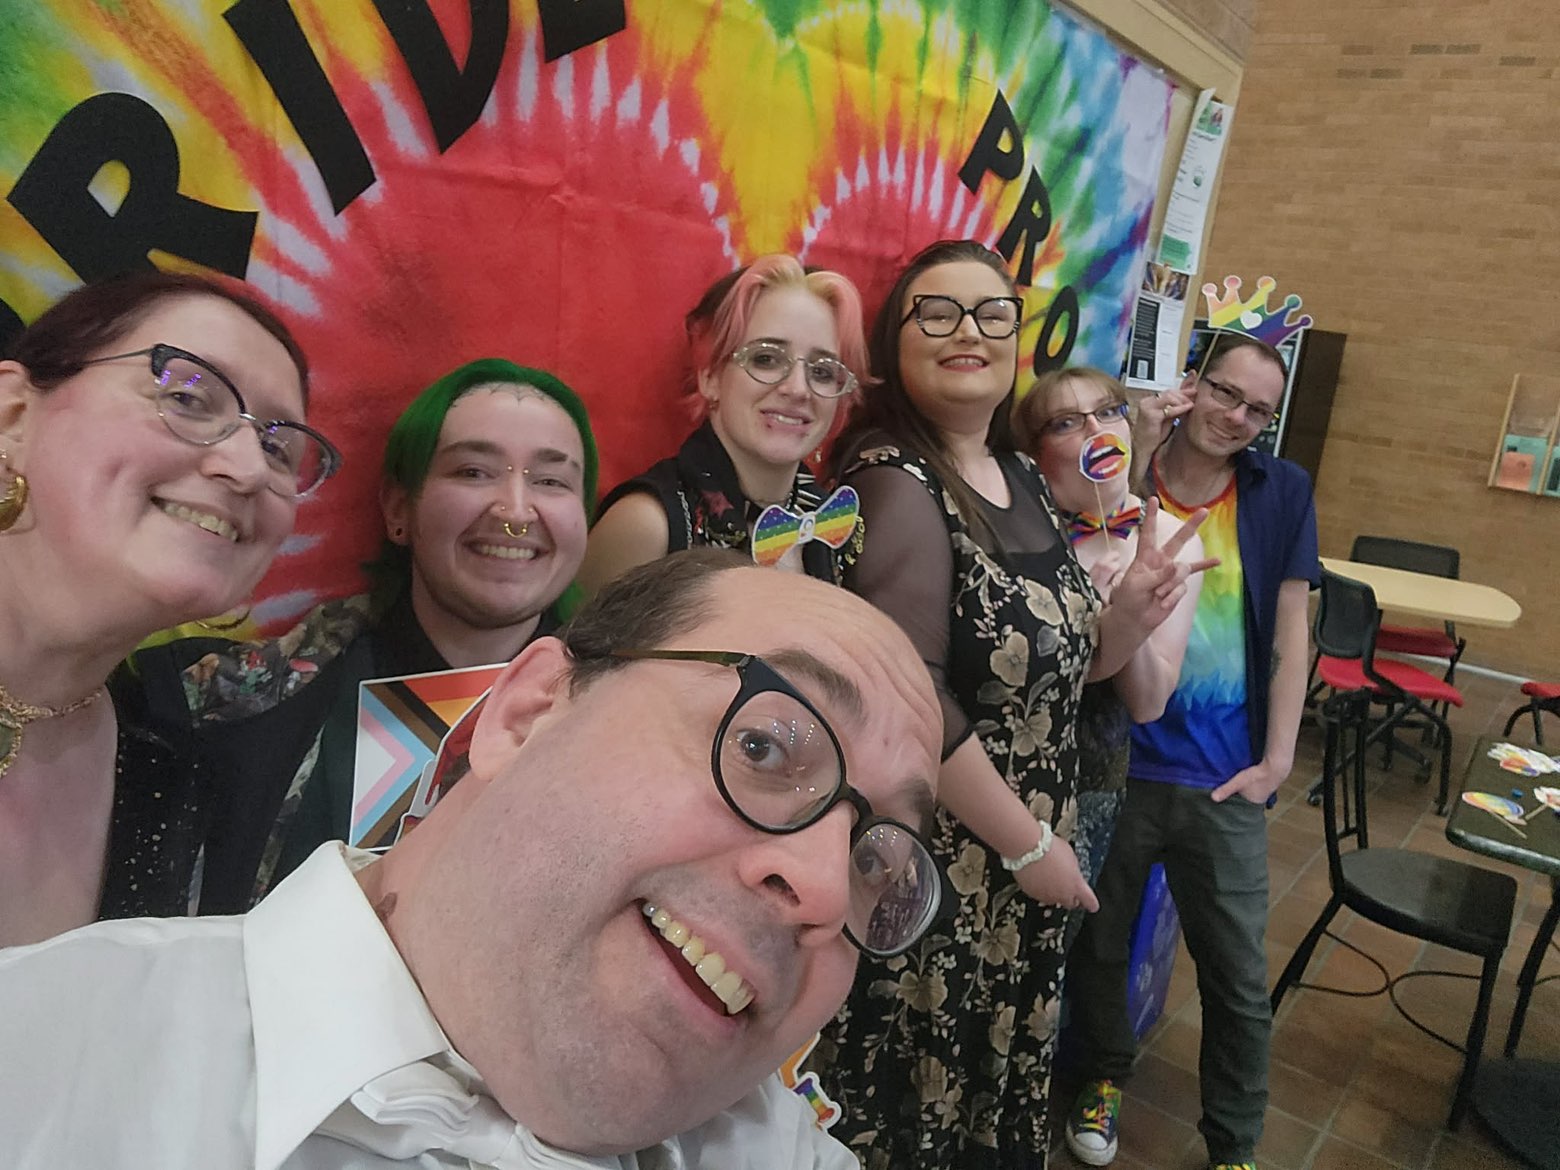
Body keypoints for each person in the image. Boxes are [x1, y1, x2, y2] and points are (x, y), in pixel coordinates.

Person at [0, 550, 947, 1170]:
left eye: (875, 865)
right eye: (765, 747)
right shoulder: (47, 1063)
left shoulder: (789, 1155)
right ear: (528, 711)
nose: (825, 887)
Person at [811, 240, 1207, 1169]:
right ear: (894, 343)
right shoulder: (893, 479)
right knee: (921, 1112)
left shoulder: (1021, 475)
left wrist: (1130, 616)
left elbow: (1062, 670)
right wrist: (1028, 847)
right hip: (945, 875)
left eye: (994, 313)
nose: (970, 332)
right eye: (936, 313)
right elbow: (908, 695)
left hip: (1026, 865)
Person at [130, 359, 597, 913]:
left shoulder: (618, 732)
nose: (517, 512)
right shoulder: (206, 706)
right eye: (473, 472)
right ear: (400, 509)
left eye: (551, 481)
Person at [0, 271, 334, 947]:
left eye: (278, 448)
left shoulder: (170, 780)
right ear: (13, 414)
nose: (245, 468)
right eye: (188, 396)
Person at [1064, 334, 1319, 1170]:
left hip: (1224, 776)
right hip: (1119, 761)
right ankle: (1099, 1076)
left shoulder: (1279, 492)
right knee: (1100, 943)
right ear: (1193, 384)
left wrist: (1278, 759)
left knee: (1239, 978)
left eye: (1257, 409)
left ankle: (1235, 1143)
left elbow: (1291, 627)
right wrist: (1135, 448)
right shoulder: (1124, 470)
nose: (1236, 416)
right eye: (1225, 393)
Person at [1011, 366, 1205, 917]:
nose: (1096, 428)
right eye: (1067, 422)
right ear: (1036, 453)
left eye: (1108, 411)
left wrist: (1129, 621)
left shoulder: (1169, 540)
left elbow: (1148, 704)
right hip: (995, 773)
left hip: (1087, 782)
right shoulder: (1016, 533)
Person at [578, 255, 868, 592]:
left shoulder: (832, 524)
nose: (798, 389)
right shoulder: (646, 525)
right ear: (710, 376)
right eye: (766, 359)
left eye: (822, 371)